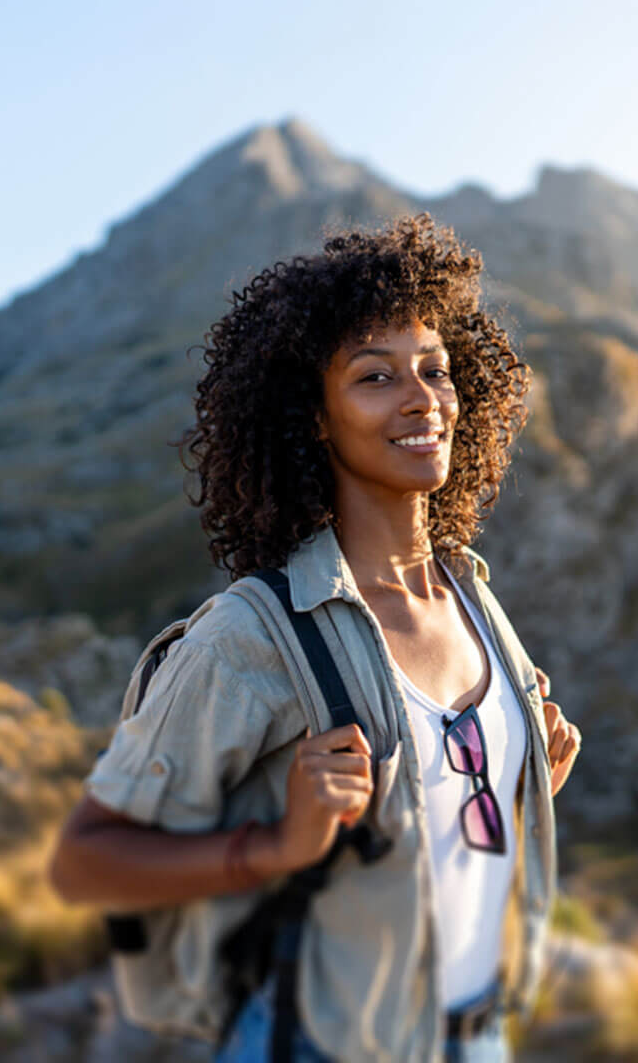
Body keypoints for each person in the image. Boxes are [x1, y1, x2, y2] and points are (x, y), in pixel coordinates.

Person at [48, 214, 581, 1062]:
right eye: (375, 376)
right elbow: (86, 863)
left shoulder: (474, 598)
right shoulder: (252, 634)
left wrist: (525, 779)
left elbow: (436, 834)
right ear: (316, 418)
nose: (422, 398)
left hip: (478, 1038)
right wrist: (277, 846)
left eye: (435, 369)